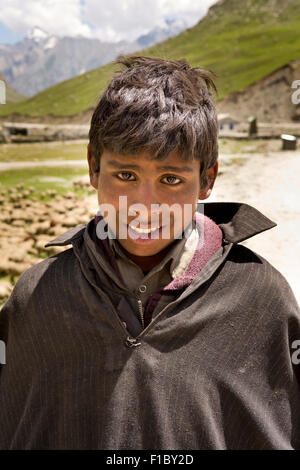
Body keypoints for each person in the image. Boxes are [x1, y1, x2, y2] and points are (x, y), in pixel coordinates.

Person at [0, 56, 299, 450]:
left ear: (207, 179)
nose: (144, 204)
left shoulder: (261, 299)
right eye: (126, 175)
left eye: (171, 179)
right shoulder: (38, 297)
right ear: (93, 167)